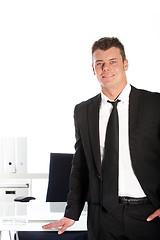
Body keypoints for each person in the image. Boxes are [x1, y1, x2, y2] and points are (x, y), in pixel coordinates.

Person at [43, 37, 160, 239]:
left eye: (113, 61)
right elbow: (79, 165)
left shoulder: (154, 104)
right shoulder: (83, 111)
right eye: (100, 63)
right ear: (93, 69)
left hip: (148, 214)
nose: (106, 68)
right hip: (103, 217)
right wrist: (72, 213)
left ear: (125, 64)